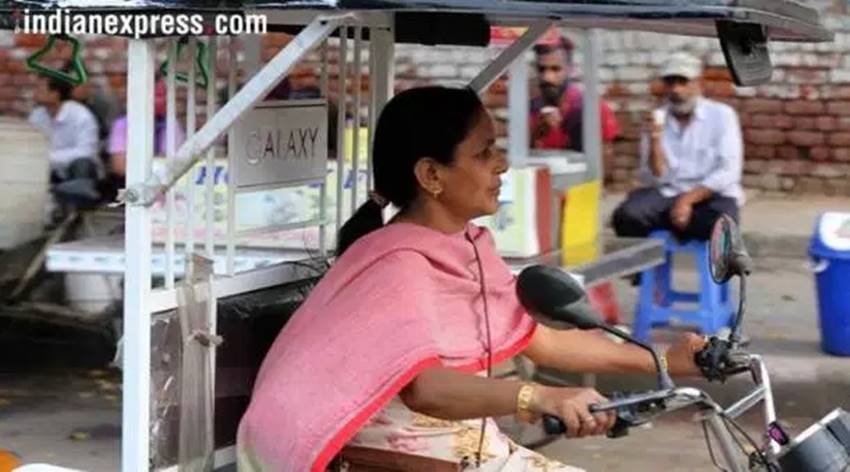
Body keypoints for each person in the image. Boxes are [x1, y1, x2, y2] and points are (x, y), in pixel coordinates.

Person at [237, 86, 707, 471]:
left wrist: (666, 360)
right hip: (385, 454)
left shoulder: (466, 246)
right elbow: (427, 389)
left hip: (445, 442)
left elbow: (538, 342)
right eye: (484, 153)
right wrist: (540, 395)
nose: (501, 165)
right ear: (431, 174)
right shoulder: (396, 263)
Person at [612, 52, 743, 241]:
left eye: (683, 82)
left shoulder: (722, 116)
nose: (676, 90)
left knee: (723, 223)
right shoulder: (657, 119)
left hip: (708, 196)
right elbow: (652, 178)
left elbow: (728, 172)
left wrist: (687, 200)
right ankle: (644, 270)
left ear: (698, 84)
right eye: (670, 82)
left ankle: (715, 266)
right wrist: (655, 140)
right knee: (627, 216)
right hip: (668, 194)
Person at [529, 33, 620, 182]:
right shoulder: (530, 110)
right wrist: (537, 135)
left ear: (570, 69)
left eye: (555, 69)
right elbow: (520, 167)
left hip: (580, 191)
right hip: (543, 191)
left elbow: (607, 172)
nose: (547, 77)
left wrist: (584, 137)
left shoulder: (592, 108)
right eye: (542, 69)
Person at [28, 74, 103, 204]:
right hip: (49, 170)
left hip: (78, 172)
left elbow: (87, 152)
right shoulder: (37, 116)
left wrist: (49, 158)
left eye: (40, 89)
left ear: (55, 93)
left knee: (82, 164)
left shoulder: (81, 115)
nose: (35, 92)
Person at [107, 79, 185, 183]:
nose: (164, 100)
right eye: (158, 95)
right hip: (130, 185)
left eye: (165, 95)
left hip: (165, 183)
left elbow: (178, 163)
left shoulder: (172, 124)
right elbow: (119, 167)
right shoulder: (123, 124)